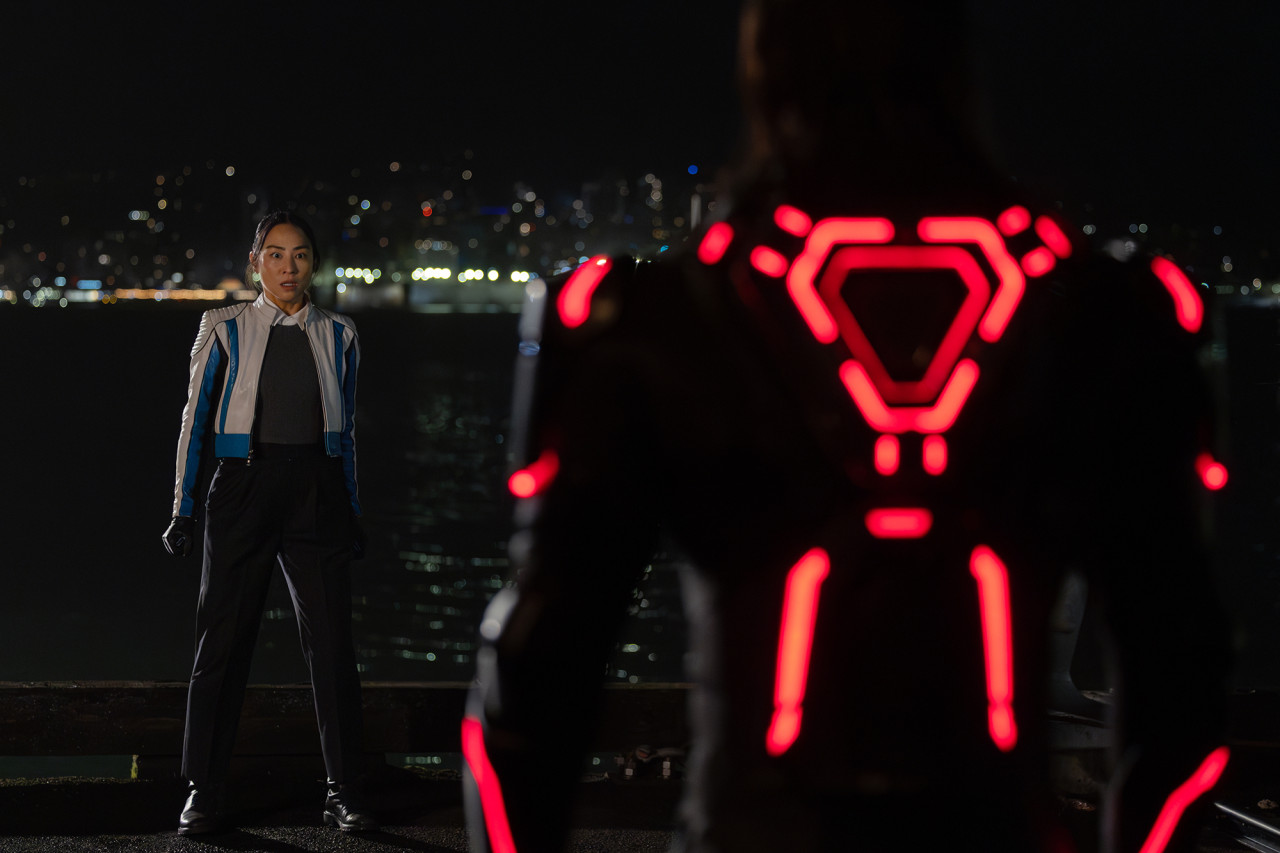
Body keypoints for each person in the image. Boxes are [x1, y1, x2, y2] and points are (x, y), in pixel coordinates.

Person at [462, 3, 1231, 852]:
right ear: (955, 63)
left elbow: (531, 688)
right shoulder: (1105, 318)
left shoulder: (657, 321)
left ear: (763, 61)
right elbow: (1184, 682)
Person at [161, 210, 375, 835]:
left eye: (300, 254)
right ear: (255, 262)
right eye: (275, 255)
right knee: (222, 642)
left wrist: (352, 509)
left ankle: (344, 790)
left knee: (332, 645)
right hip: (242, 487)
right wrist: (183, 508)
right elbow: (194, 422)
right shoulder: (223, 327)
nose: (288, 267)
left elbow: (347, 433)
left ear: (314, 264)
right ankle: (204, 790)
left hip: (317, 489)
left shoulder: (340, 333)